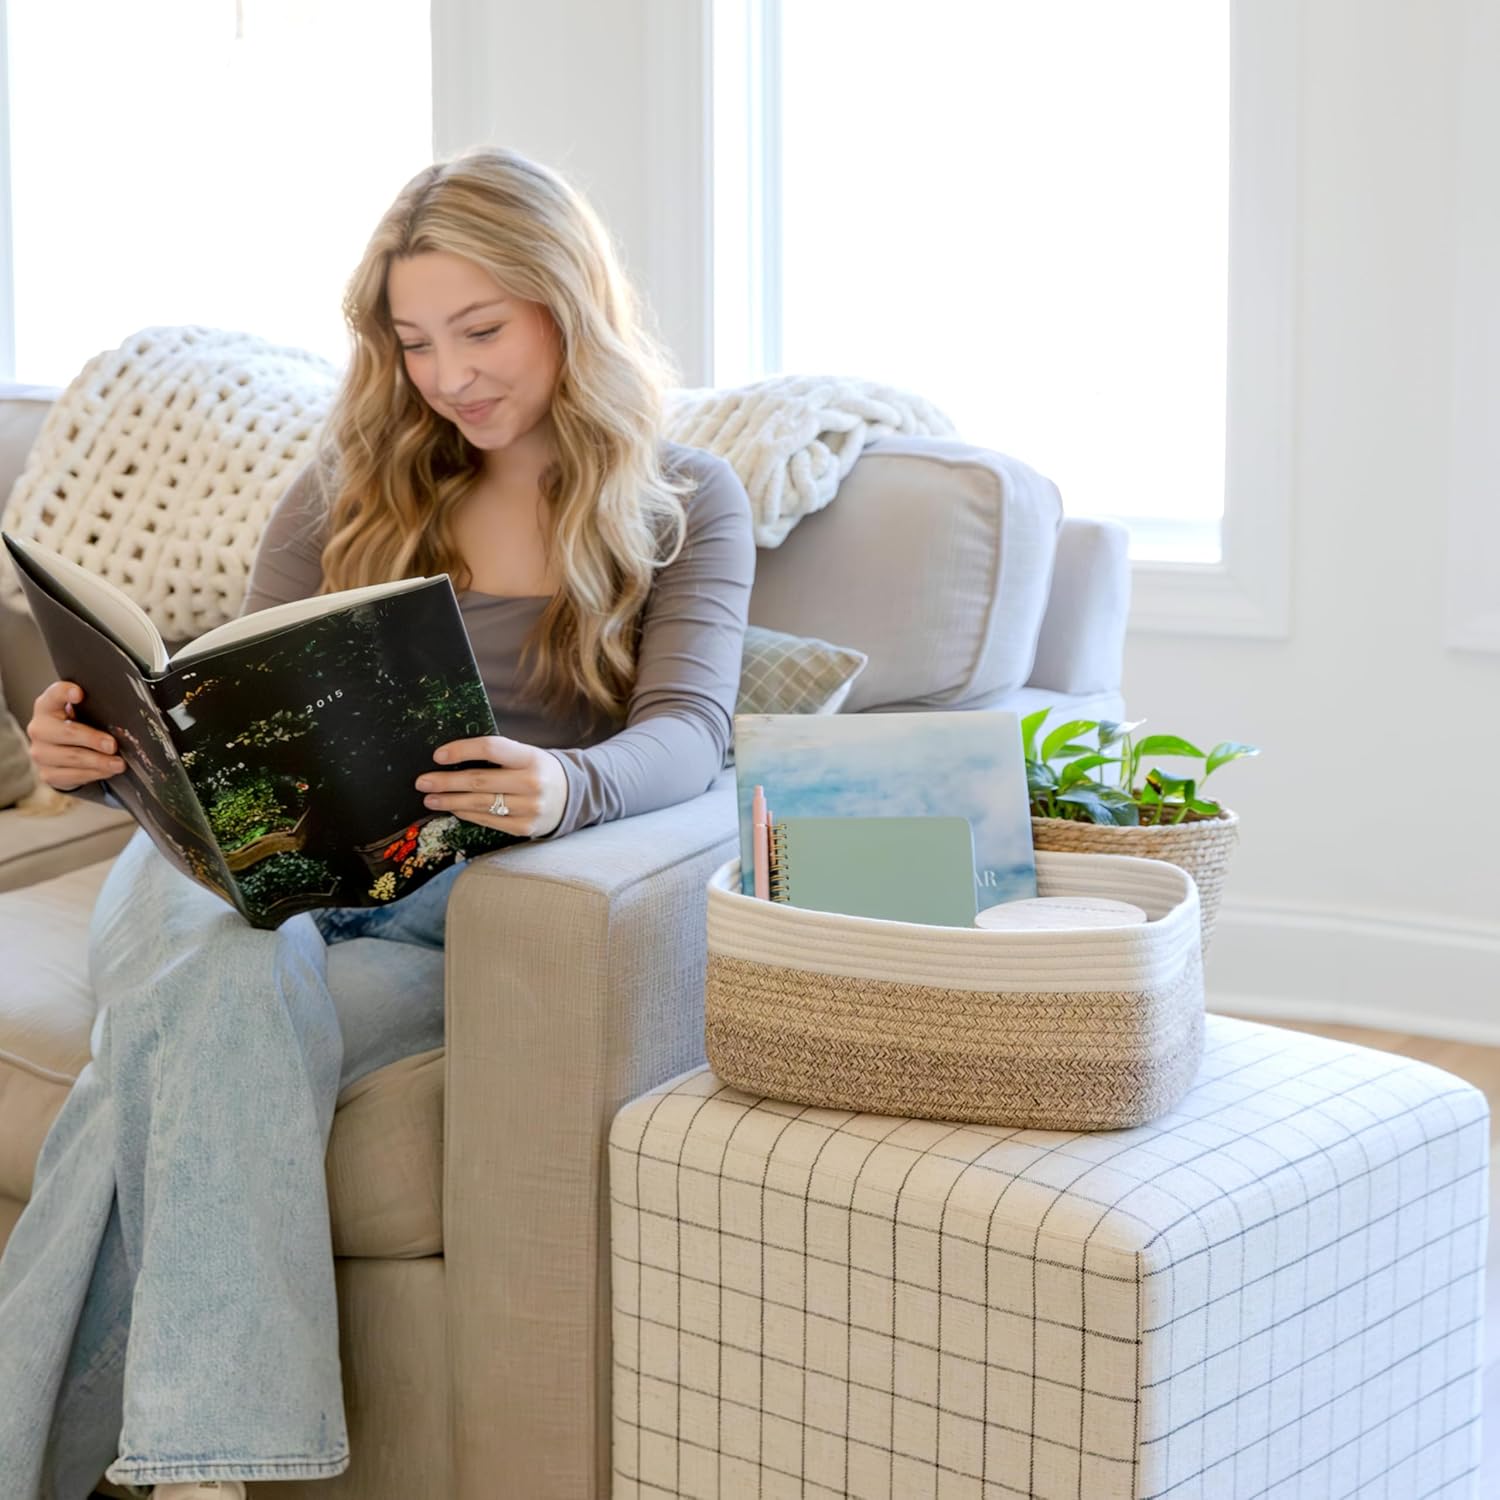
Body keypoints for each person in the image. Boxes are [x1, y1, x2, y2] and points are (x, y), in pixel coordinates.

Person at [0, 147, 753, 1499]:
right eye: (415, 342)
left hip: (447, 907)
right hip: (232, 879)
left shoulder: (686, 499)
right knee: (218, 955)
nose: (450, 375)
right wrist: (106, 759)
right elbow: (227, 722)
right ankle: (209, 1471)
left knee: (172, 1048)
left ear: (567, 305)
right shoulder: (347, 483)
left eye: (481, 330)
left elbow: (694, 734)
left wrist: (566, 785)